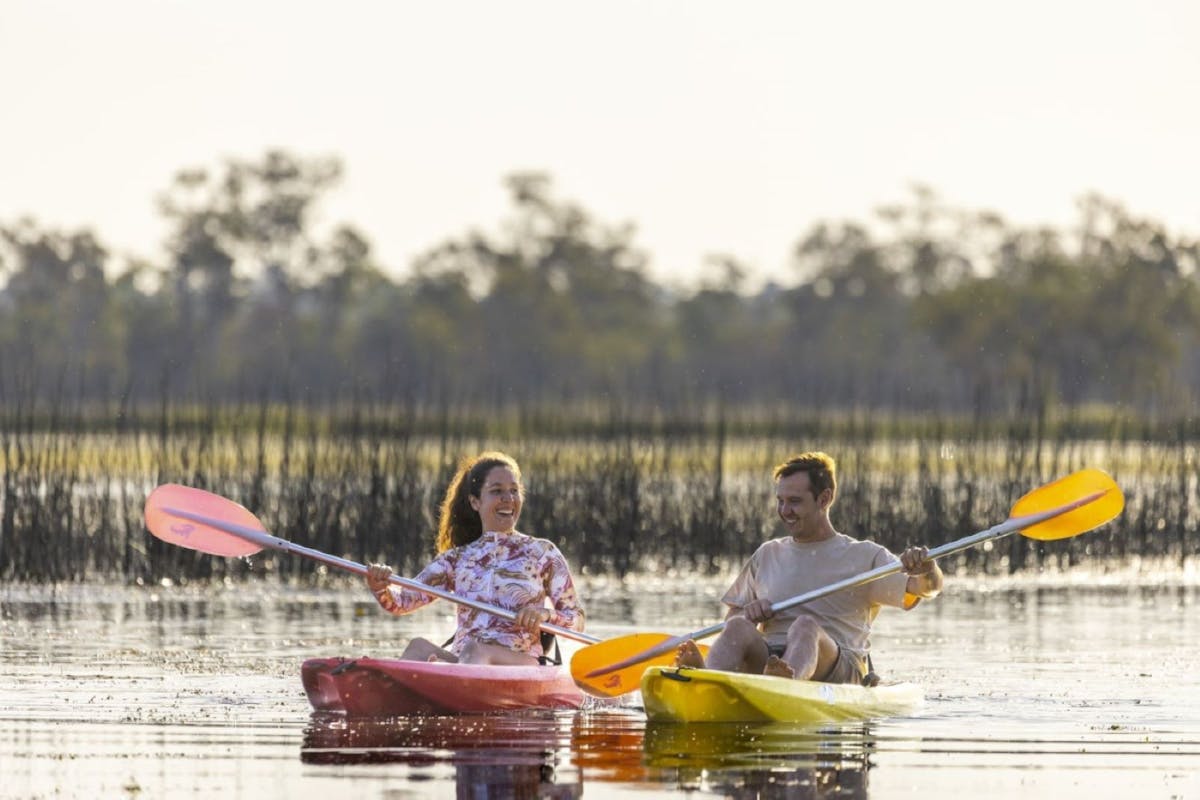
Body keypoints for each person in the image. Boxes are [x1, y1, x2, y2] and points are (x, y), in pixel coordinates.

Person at [675, 451, 943, 685]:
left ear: (824, 498)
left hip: (838, 667)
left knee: (805, 626)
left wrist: (926, 570)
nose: (784, 510)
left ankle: (787, 682)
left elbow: (924, 589)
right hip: (771, 659)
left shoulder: (864, 555)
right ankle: (705, 679)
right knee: (735, 627)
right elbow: (732, 618)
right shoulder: (768, 553)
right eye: (780, 501)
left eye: (794, 501)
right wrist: (747, 615)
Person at [365, 451, 585, 665]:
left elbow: (576, 620)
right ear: (475, 502)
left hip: (520, 662)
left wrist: (545, 614)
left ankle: (451, 685)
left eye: (514, 490)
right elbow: (402, 602)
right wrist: (380, 587)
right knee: (418, 647)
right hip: (467, 660)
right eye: (497, 491)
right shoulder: (457, 559)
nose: (508, 499)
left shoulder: (543, 552)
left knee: (475, 650)